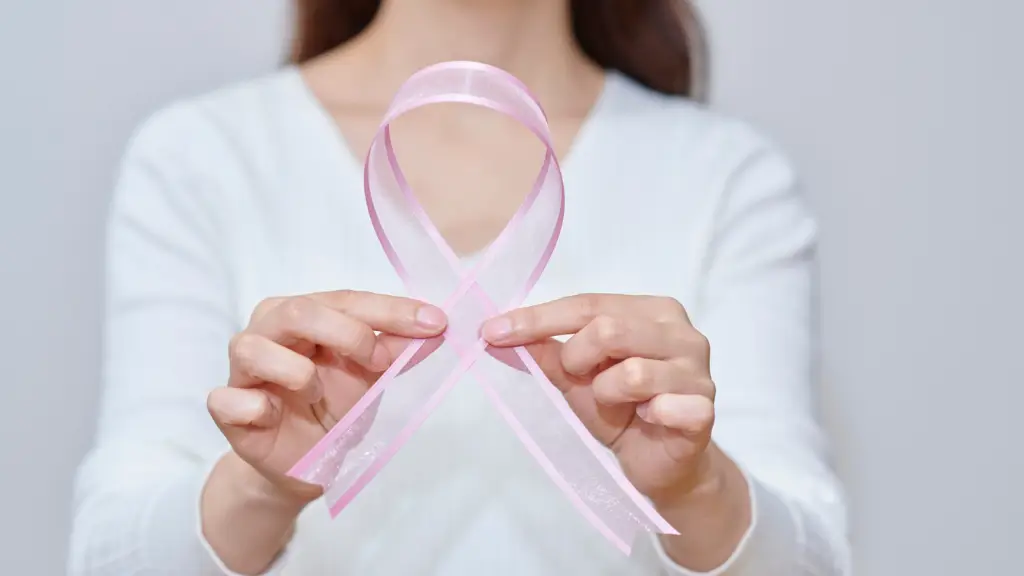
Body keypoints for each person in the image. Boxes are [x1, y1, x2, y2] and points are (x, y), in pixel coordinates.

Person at [67, 0, 851, 574]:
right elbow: (107, 557)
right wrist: (260, 488)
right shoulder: (200, 159)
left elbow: (817, 560)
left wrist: (697, 487)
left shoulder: (725, 176)